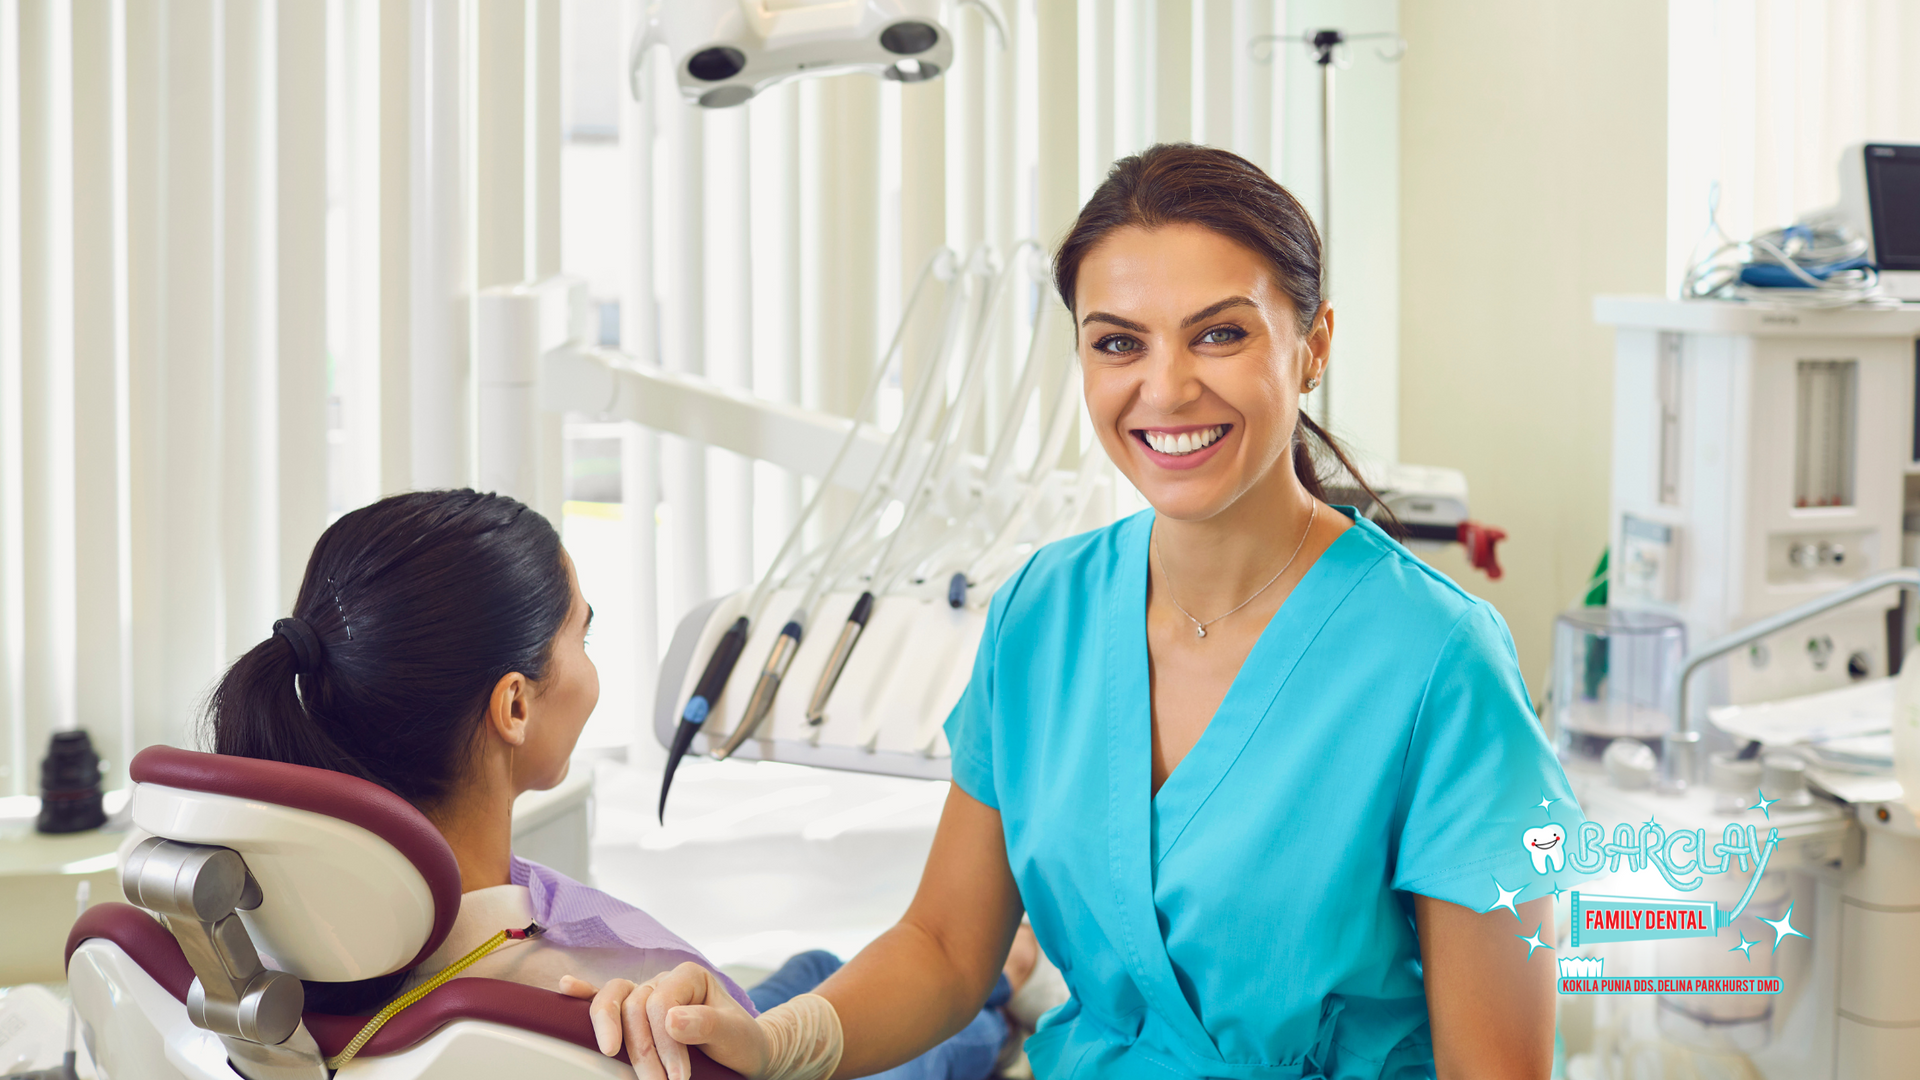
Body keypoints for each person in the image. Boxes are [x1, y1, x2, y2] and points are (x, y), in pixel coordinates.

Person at [582, 144, 1594, 1080]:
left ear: (1313, 345)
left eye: (1222, 334)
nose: (1167, 388)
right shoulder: (1042, 611)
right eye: (1118, 343)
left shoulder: (1436, 662)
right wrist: (772, 1042)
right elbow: (943, 949)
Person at [203, 489, 1028, 1080]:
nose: (592, 668)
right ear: (515, 704)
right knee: (928, 1046)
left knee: (813, 961)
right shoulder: (596, 1000)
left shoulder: (280, 928)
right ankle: (1001, 990)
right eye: (581, 634)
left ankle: (993, 974)